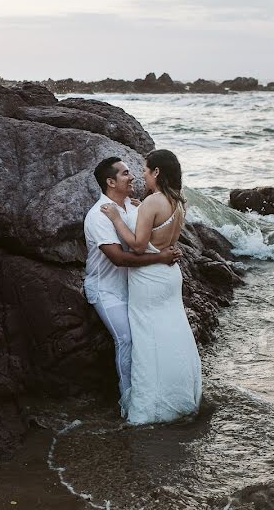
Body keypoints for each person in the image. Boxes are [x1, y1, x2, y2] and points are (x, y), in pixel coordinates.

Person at [100, 149, 202, 424]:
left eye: (145, 170)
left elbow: (137, 244)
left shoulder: (151, 203)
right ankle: (181, 397)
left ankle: (153, 409)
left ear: (157, 172)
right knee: (173, 332)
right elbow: (161, 235)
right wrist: (136, 208)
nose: (142, 176)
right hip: (169, 275)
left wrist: (116, 218)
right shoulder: (178, 201)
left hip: (148, 278)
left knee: (148, 340)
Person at [83, 157, 182, 412]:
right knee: (126, 339)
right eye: (126, 173)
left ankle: (153, 392)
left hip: (134, 287)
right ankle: (128, 400)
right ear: (110, 182)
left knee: (146, 339)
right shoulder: (99, 215)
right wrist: (160, 257)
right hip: (106, 291)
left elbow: (150, 227)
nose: (133, 177)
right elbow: (118, 258)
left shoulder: (131, 205)